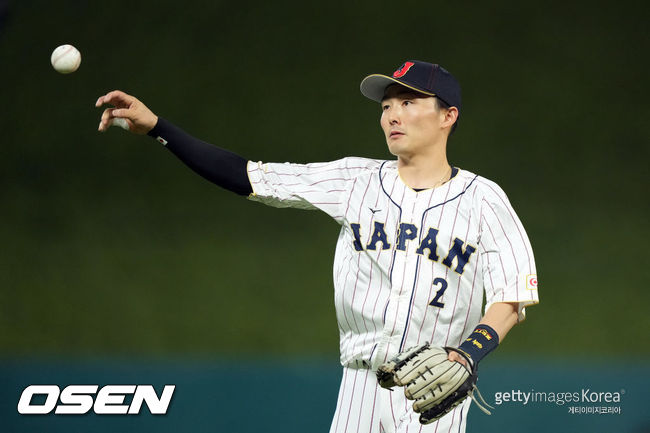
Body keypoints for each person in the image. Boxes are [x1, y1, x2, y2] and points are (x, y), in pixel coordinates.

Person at [96, 60, 539, 433]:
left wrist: (468, 353)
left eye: (408, 102)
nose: (392, 116)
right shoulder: (354, 181)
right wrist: (158, 127)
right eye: (386, 106)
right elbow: (248, 176)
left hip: (436, 393)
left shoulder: (484, 199)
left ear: (448, 116)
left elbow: (513, 294)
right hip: (360, 387)